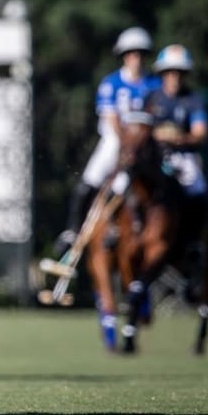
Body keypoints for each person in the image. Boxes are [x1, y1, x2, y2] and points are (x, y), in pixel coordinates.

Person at [54, 26, 159, 255]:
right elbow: (111, 119)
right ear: (124, 56)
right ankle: (72, 230)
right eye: (131, 53)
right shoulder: (111, 83)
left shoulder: (154, 84)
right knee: (90, 180)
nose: (136, 58)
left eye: (140, 53)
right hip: (116, 140)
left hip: (144, 145)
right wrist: (126, 145)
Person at [143, 44, 208, 293]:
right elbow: (141, 129)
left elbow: (200, 133)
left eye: (179, 72)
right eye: (170, 72)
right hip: (155, 158)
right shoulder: (152, 98)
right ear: (162, 74)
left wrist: (177, 138)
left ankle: (192, 241)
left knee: (199, 191)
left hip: (182, 157)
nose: (174, 77)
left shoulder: (192, 100)